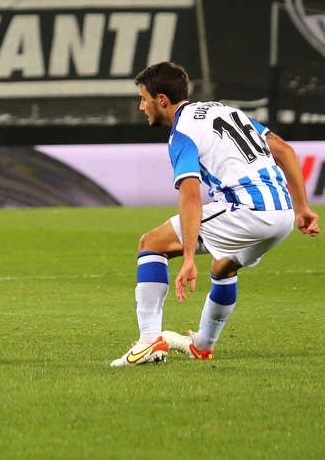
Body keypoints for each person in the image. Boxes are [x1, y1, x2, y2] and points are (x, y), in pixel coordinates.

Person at [111, 62, 318, 367]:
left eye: (144, 99)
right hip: (283, 214)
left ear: (162, 100)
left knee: (151, 244)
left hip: (249, 210)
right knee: (223, 268)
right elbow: (285, 150)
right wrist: (302, 208)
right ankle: (202, 346)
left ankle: (148, 341)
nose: (142, 107)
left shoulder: (182, 132)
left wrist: (190, 257)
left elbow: (191, 197)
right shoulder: (223, 110)